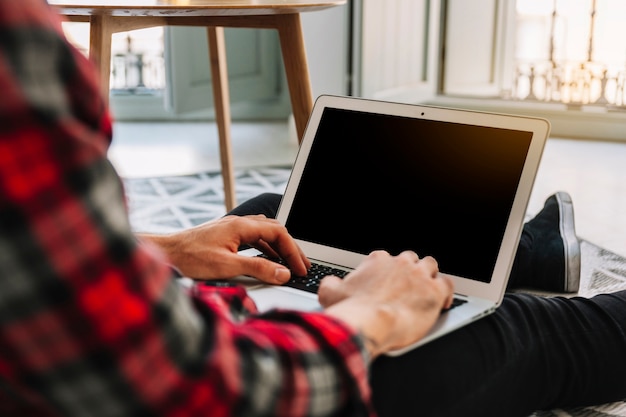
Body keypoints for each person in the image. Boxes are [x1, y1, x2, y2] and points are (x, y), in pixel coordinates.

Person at [1, 1, 626, 416]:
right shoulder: (14, 48)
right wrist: (373, 312)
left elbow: (23, 252)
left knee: (277, 217)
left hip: (97, 339)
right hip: (221, 373)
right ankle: (522, 268)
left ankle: (529, 251)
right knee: (521, 331)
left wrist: (165, 249)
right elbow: (191, 388)